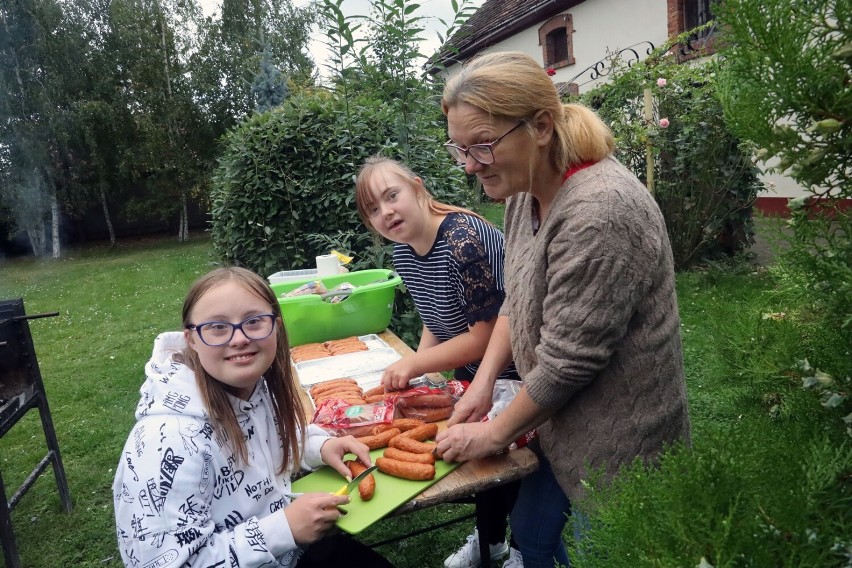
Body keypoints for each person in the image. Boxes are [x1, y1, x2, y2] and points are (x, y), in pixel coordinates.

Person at [434, 52, 692, 568]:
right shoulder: (522, 191)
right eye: (459, 149)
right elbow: (517, 297)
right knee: (532, 539)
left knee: (609, 552)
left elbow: (568, 363)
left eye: (482, 146)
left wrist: (490, 433)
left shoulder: (600, 212)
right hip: (554, 422)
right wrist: (484, 385)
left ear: (542, 126)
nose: (468, 166)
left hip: (621, 440)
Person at [112, 267, 394, 568]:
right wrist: (282, 530)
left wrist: (318, 447)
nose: (239, 338)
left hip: (293, 549)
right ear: (191, 339)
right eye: (218, 327)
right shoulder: (167, 442)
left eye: (254, 321)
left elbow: (268, 439)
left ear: (276, 326)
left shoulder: (252, 388)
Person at [355, 155, 524, 568]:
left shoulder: (462, 240)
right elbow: (435, 320)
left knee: (514, 463)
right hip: (474, 368)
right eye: (373, 209)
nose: (386, 212)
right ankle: (491, 543)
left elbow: (486, 335)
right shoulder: (405, 252)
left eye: (391, 196)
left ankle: (521, 548)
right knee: (475, 453)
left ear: (417, 187)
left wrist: (413, 366)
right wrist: (421, 366)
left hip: (521, 365)